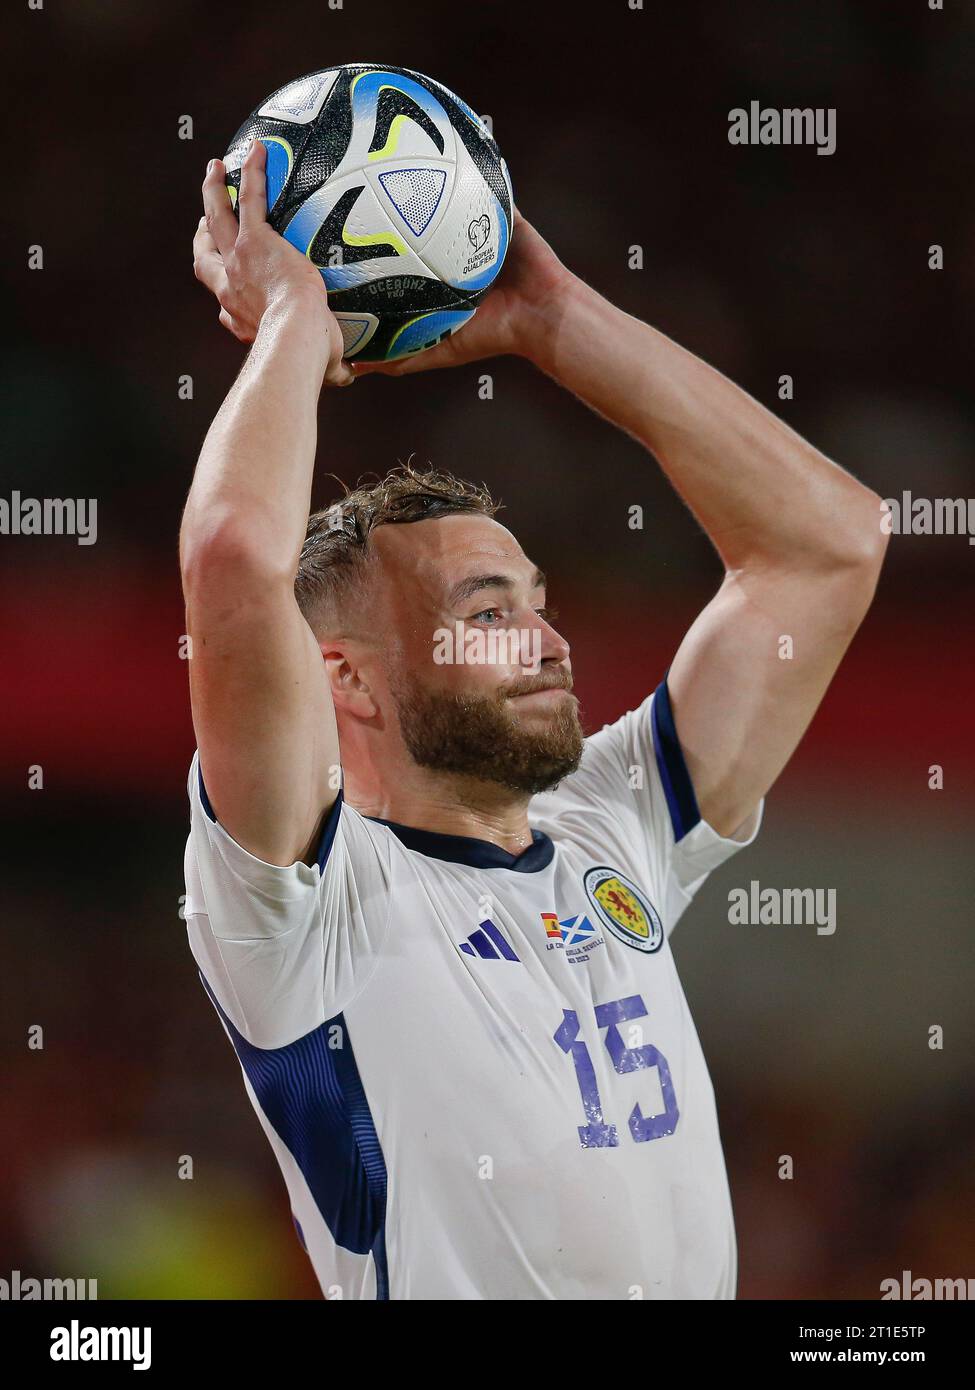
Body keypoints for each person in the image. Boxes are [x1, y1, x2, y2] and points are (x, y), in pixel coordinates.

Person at [181, 139, 887, 1299]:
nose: (552, 643)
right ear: (344, 680)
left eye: (539, 605)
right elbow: (229, 557)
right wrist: (296, 321)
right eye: (487, 611)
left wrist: (555, 318)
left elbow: (828, 547)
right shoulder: (305, 910)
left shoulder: (610, 826)